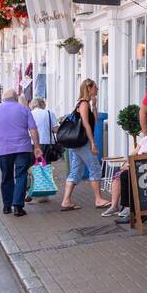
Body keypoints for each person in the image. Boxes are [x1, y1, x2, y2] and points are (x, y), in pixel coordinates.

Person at [0, 88, 42, 217]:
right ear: (16, 98)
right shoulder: (24, 109)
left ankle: (6, 206)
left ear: (3, 99)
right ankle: (18, 206)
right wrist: (37, 146)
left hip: (3, 149)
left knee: (6, 176)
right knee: (21, 175)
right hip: (23, 148)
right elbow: (33, 129)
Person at [102, 115, 147, 223]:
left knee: (125, 175)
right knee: (120, 174)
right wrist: (127, 163)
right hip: (137, 167)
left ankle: (129, 208)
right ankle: (118, 206)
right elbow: (133, 153)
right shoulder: (145, 139)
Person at [60, 78, 108, 212]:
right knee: (95, 167)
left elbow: (95, 120)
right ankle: (98, 199)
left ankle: (66, 201)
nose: (97, 89)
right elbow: (87, 125)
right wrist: (93, 143)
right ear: (89, 89)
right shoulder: (83, 104)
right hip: (83, 143)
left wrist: (95, 105)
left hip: (76, 144)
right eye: (95, 87)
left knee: (76, 171)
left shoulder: (85, 104)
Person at [28, 97, 59, 203]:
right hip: (46, 144)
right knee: (44, 168)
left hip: (31, 143)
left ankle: (30, 190)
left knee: (32, 168)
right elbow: (55, 129)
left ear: (33, 104)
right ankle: (43, 194)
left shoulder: (30, 113)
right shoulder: (49, 113)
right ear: (43, 104)